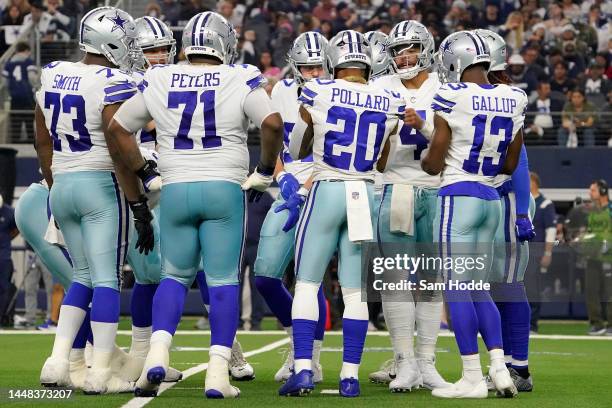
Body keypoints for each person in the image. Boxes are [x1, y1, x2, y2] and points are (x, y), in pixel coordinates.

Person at [107, 11, 283, 399]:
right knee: (222, 282)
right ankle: (218, 374)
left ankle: (157, 354)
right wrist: (266, 169)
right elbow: (271, 123)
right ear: (225, 42)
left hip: (175, 189)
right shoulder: (241, 76)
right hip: (223, 186)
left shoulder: (159, 77)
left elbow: (117, 128)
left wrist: (145, 171)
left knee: (172, 277)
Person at [34, 7, 157, 394]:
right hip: (99, 183)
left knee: (82, 277)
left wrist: (55, 182)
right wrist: (138, 197)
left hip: (63, 181)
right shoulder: (114, 81)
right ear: (112, 42)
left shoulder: (53, 72)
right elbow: (119, 146)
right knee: (106, 280)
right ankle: (101, 372)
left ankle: (56, 363)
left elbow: (41, 139)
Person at [279, 29, 403, 398]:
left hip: (327, 187)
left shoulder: (318, 90)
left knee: (306, 283)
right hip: (363, 191)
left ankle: (303, 369)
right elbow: (383, 158)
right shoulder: (387, 97)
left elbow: (298, 145)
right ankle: (350, 375)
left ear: (334, 60)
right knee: (355, 292)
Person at [422, 30, 527, 399]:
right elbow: (512, 162)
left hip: (458, 195)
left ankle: (470, 377)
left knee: (455, 288)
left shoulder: (451, 95)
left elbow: (434, 162)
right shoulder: (514, 97)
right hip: (492, 201)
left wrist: (426, 156)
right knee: (479, 287)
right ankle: (499, 369)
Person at [368, 20, 449, 393]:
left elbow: (455, 146)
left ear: (427, 48)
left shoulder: (445, 87)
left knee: (433, 280)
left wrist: (424, 129)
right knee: (394, 278)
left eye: (411, 48)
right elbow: (374, 155)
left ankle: (428, 362)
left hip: (436, 188)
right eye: (398, 51)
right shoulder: (380, 87)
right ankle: (405, 362)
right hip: (395, 188)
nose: (404, 56)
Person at [254, 31, 328, 384]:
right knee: (266, 277)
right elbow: (280, 147)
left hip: (324, 186)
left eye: (317, 66)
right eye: (307, 67)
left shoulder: (336, 92)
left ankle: (310, 356)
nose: (313, 72)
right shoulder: (281, 91)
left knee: (309, 280)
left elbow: (336, 155)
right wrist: (283, 179)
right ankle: (293, 340)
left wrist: (308, 187)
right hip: (288, 189)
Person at [477, 28, 536, 393]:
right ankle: (509, 364)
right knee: (491, 286)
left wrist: (521, 212)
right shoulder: (484, 96)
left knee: (509, 285)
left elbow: (520, 161)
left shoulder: (505, 98)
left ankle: (520, 368)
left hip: (505, 199)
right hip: (487, 199)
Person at [525, 172, 556, 333]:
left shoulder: (545, 204)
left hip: (536, 251)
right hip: (522, 250)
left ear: (534, 183)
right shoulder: (523, 200)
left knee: (532, 287)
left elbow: (551, 230)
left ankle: (532, 324)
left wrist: (548, 253)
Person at [584, 180, 612, 335]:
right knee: (591, 291)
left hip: (609, 257)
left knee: (610, 292)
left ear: (602, 191)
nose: (590, 193)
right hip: (593, 256)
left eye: (593, 190)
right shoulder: (591, 211)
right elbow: (590, 231)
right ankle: (597, 323)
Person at [2, 42, 37, 142]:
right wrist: (36, 87)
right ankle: (31, 144)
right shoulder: (29, 62)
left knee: (15, 124)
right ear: (26, 50)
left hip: (14, 96)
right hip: (27, 96)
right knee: (29, 123)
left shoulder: (8, 64)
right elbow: (32, 78)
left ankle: (15, 143)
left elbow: (5, 82)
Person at [0, 194, 19, 325]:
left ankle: (2, 316)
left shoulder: (9, 212)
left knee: (4, 287)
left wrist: (7, 239)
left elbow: (17, 227)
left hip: (3, 256)